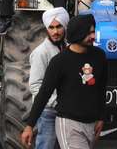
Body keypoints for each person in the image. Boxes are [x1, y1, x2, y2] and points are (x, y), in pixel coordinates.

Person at [21, 14, 107, 149]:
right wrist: (30, 126)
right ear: (78, 33)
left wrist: (101, 117)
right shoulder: (59, 62)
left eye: (93, 32)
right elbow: (43, 93)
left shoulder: (99, 56)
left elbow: (101, 88)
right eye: (89, 33)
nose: (93, 37)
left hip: (91, 124)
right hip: (69, 124)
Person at [28, 8, 69, 149]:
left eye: (58, 27)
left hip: (67, 110)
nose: (55, 32)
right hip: (48, 111)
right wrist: (56, 102)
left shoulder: (68, 48)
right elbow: (35, 85)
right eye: (51, 27)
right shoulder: (40, 53)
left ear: (65, 27)